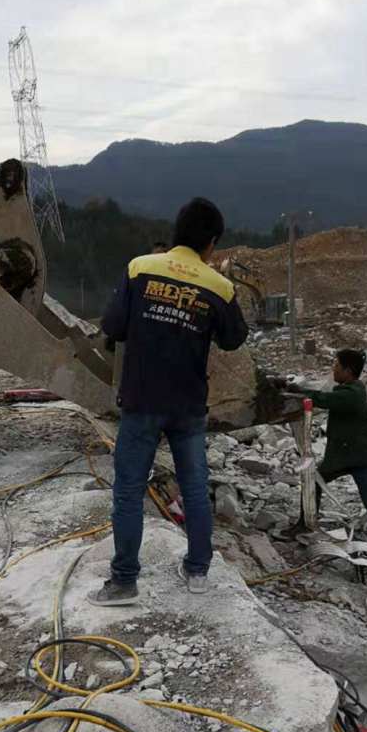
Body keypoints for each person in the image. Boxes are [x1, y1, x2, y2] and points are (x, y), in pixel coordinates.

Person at [89, 198, 248, 605]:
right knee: (194, 488)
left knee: (128, 490)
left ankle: (124, 581)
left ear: (176, 231)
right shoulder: (218, 286)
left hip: (141, 398)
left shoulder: (140, 268)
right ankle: (197, 571)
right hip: (188, 405)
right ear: (211, 243)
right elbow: (234, 339)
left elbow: (112, 327)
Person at [282, 349, 367, 547]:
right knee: (313, 481)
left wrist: (300, 391)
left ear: (348, 371)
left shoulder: (352, 394)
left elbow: (325, 400)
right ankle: (305, 524)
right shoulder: (349, 391)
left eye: (336, 366)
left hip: (365, 461)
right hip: (346, 456)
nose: (333, 369)